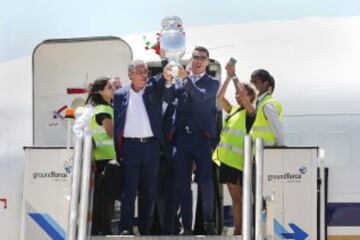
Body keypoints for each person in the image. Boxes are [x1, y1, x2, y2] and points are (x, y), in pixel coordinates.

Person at [163, 46, 220, 235]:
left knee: (205, 181)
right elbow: (168, 98)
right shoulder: (180, 81)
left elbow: (200, 96)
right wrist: (170, 81)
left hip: (202, 139)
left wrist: (185, 79)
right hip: (181, 139)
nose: (198, 60)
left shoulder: (212, 82)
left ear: (207, 62)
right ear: (191, 58)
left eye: (202, 58)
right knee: (182, 184)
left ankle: (209, 221)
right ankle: (186, 226)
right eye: (196, 57)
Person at [113, 60, 165, 235]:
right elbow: (117, 125)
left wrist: (166, 58)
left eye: (146, 71)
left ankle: (145, 229)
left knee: (149, 191)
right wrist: (119, 151)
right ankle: (126, 228)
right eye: (140, 71)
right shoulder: (120, 94)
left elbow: (164, 78)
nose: (145, 74)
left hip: (151, 147)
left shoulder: (154, 90)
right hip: (130, 148)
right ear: (130, 75)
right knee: (129, 190)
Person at [213, 62, 256, 235]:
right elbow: (220, 98)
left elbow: (245, 100)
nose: (238, 96)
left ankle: (241, 230)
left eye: (243, 93)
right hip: (227, 161)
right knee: (235, 198)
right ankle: (239, 230)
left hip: (239, 163)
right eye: (237, 94)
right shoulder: (234, 110)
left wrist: (235, 77)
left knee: (239, 199)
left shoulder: (250, 111)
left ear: (251, 96)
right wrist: (228, 78)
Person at [86, 76, 117, 235]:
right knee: (107, 198)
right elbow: (111, 133)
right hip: (107, 160)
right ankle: (104, 230)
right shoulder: (104, 110)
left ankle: (101, 229)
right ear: (100, 91)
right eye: (110, 87)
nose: (114, 90)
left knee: (103, 197)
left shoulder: (100, 108)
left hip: (103, 159)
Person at [250, 69, 284, 146]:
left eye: (256, 82)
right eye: (251, 81)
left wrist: (281, 150)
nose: (253, 84)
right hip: (259, 151)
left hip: (268, 152)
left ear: (265, 84)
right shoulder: (259, 102)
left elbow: (278, 129)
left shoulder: (268, 105)